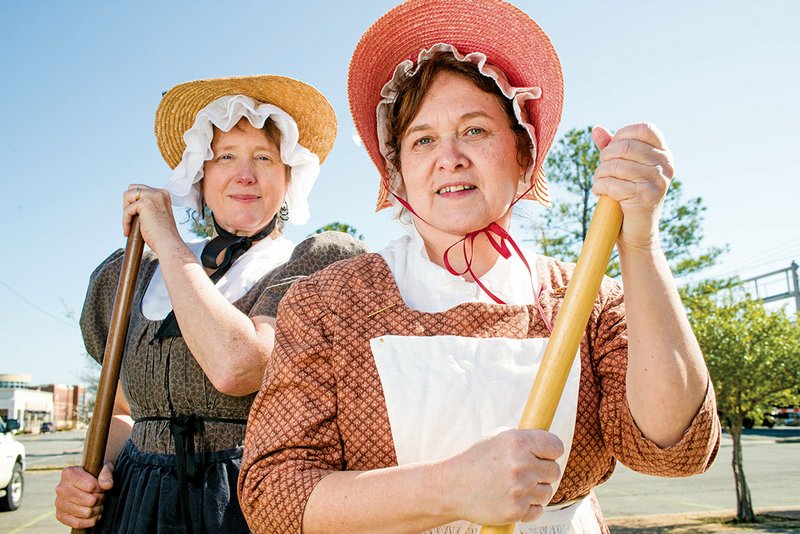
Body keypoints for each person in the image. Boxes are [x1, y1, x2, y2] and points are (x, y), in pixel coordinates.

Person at [239, 1, 722, 532]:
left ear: (523, 153)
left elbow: (675, 451)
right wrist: (450, 488)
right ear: (396, 173)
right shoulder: (327, 303)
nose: (450, 157)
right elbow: (273, 496)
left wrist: (640, 246)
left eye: (475, 131)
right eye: (423, 140)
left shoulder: (587, 298)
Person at [54, 75, 368, 533]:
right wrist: (94, 469)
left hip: (245, 503)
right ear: (201, 176)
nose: (245, 174)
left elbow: (237, 366)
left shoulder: (311, 265)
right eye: (226, 157)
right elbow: (124, 410)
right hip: (135, 507)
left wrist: (167, 240)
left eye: (264, 157)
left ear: (289, 178)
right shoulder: (131, 275)